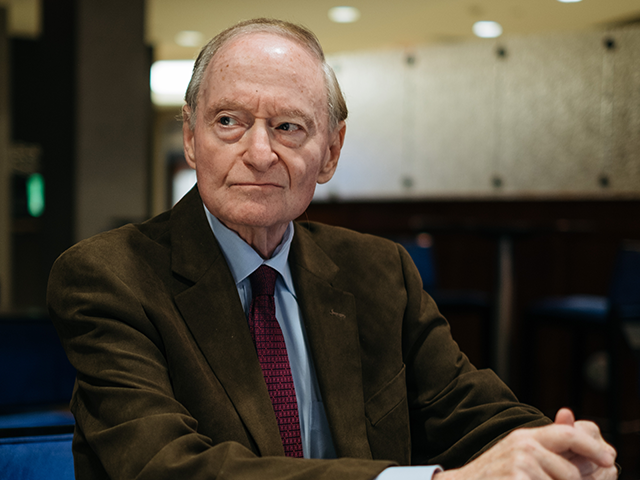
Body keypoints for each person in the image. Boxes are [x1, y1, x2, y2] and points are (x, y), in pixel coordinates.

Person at [47, 18, 617, 480]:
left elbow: (468, 409)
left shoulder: (378, 271)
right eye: (229, 121)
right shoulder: (107, 277)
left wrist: (553, 448)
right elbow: (166, 469)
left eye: (289, 126)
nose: (260, 152)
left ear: (331, 150)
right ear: (192, 138)